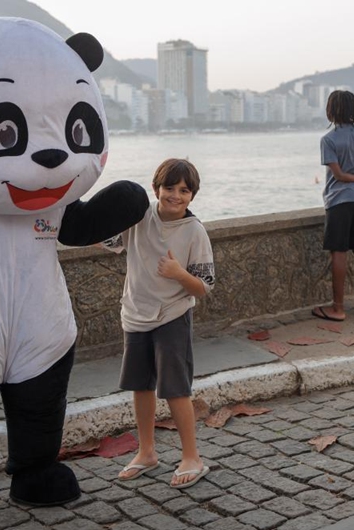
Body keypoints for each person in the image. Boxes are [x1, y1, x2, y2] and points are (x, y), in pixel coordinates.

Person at [102, 158, 215, 489]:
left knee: (176, 389)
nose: (175, 196)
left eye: (184, 190)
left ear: (192, 196)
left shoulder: (194, 231)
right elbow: (107, 239)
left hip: (172, 316)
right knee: (141, 385)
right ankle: (147, 451)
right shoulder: (139, 218)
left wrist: (179, 273)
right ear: (156, 189)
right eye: (169, 188)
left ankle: (192, 456)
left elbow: (204, 286)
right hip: (135, 314)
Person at [313, 90, 354, 322]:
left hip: (339, 201)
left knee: (339, 251)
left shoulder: (329, 140)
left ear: (331, 111)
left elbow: (339, 175)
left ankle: (338, 308)